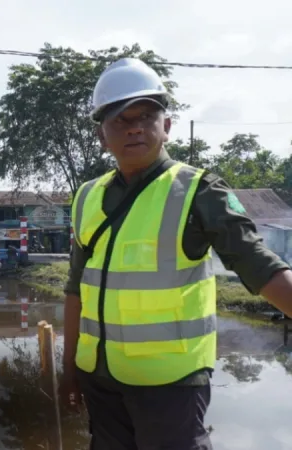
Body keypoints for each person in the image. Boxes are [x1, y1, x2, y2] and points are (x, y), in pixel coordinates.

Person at [61, 58, 292, 450]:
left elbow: (260, 266)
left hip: (170, 386)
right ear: (102, 135)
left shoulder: (199, 191)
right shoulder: (87, 196)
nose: (134, 126)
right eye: (120, 119)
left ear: (166, 126)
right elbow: (74, 289)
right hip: (100, 379)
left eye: (146, 115)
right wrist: (69, 369)